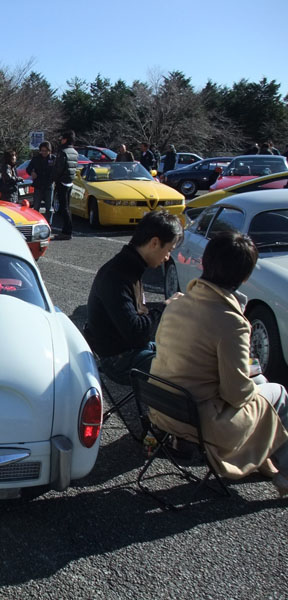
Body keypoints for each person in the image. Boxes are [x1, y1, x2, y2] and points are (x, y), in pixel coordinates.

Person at [149, 232, 288, 496]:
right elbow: (236, 393)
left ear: (205, 262)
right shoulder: (230, 321)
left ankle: (270, 458)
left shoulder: (178, 303)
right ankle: (284, 472)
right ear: (244, 277)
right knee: (278, 392)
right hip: (200, 422)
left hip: (163, 407)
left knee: (260, 383)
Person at [83, 209, 183, 384]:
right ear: (154, 243)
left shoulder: (129, 267)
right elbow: (135, 332)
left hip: (129, 350)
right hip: (117, 359)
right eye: (168, 250)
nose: (167, 257)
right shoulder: (117, 275)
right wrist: (166, 308)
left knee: (188, 357)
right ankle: (158, 412)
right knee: (188, 372)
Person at [51, 130, 79, 240]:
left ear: (66, 139)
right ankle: (67, 230)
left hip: (62, 181)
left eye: (62, 138)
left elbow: (59, 168)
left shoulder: (63, 151)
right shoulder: (75, 152)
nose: (61, 140)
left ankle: (67, 232)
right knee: (67, 207)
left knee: (64, 208)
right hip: (70, 181)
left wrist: (53, 179)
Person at [27, 141, 55, 221]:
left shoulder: (53, 159)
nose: (44, 152)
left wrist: (53, 179)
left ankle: (49, 223)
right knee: (36, 207)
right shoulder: (36, 159)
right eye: (42, 150)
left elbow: (57, 171)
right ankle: (36, 222)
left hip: (49, 186)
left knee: (49, 208)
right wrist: (32, 173)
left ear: (49, 151)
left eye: (46, 151)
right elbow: (28, 169)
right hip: (38, 185)